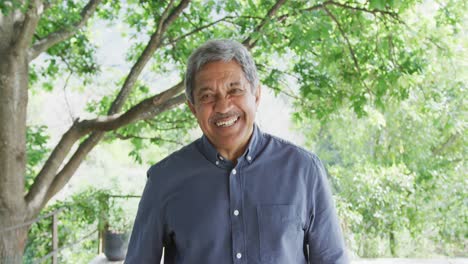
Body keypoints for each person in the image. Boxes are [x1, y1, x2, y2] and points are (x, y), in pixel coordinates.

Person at [125, 39, 348, 264]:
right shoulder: (164, 179)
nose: (223, 106)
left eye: (234, 90)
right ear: (193, 107)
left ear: (256, 94)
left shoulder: (304, 170)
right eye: (207, 96)